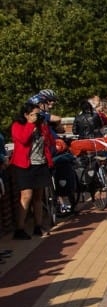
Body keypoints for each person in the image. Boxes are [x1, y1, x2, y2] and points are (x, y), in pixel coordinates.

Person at [10, 96, 55, 239]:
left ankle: (38, 226)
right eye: (33, 114)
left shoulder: (42, 125)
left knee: (38, 197)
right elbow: (23, 140)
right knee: (26, 195)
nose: (36, 116)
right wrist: (30, 125)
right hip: (24, 165)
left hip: (40, 164)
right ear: (26, 115)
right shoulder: (18, 125)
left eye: (38, 114)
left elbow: (50, 141)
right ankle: (20, 228)